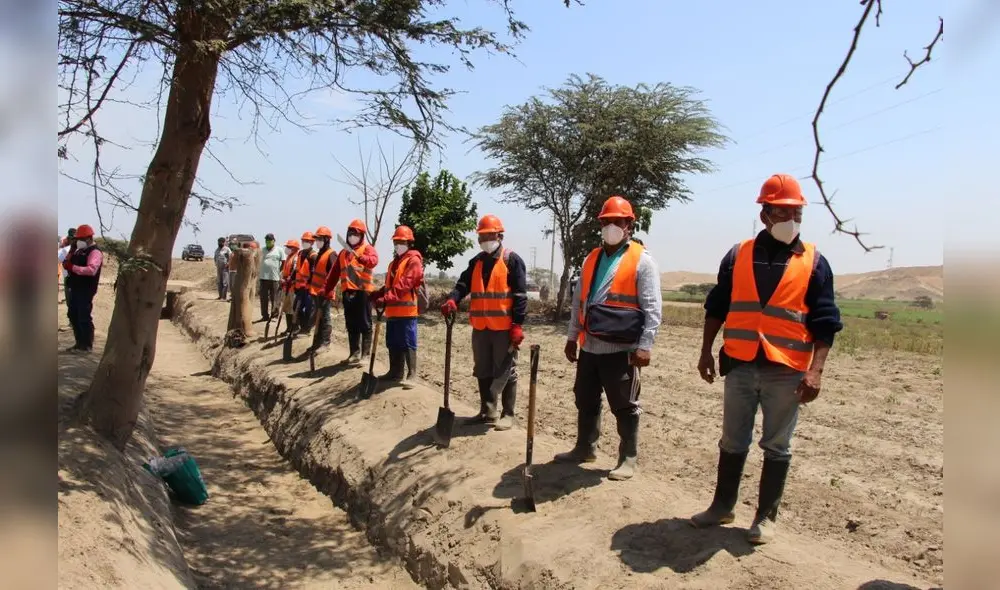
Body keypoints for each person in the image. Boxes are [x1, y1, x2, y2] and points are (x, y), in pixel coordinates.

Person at [689, 174, 843, 545]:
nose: (791, 219)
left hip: (786, 371)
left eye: (797, 213)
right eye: (783, 212)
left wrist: (816, 371)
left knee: (777, 445)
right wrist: (706, 350)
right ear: (765, 215)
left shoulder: (815, 262)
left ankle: (764, 518)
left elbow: (826, 323)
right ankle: (722, 506)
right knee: (732, 440)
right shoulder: (737, 255)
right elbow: (717, 306)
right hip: (740, 364)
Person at [557, 196, 663, 481]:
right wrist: (572, 337)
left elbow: (653, 308)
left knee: (624, 403)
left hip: (622, 348)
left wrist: (645, 345)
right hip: (590, 345)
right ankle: (585, 448)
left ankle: (628, 457)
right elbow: (579, 302)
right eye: (606, 222)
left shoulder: (643, 261)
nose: (611, 226)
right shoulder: (591, 258)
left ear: (630, 225)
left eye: (617, 221)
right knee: (585, 397)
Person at [440, 214, 527, 431]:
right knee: (483, 369)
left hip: (503, 328)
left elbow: (520, 296)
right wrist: (453, 299)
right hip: (480, 327)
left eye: (490, 235)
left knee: (506, 369)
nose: (486, 239)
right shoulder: (476, 262)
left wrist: (517, 325)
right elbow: (463, 284)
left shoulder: (512, 260)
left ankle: (508, 414)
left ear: (499, 236)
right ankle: (487, 412)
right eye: (482, 236)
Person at [371, 225, 424, 388]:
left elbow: (404, 285)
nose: (398, 245)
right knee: (393, 342)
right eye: (396, 242)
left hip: (407, 312)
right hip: (392, 311)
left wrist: (386, 299)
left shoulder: (414, 261)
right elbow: (391, 285)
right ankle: (395, 372)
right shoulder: (393, 263)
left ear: (409, 243)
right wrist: (378, 294)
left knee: (408, 343)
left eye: (401, 242)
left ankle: (412, 374)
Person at [321, 219, 378, 364]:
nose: (352, 237)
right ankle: (354, 354)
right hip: (348, 292)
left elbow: (373, 261)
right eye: (350, 234)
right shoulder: (343, 253)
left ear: (362, 236)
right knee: (351, 324)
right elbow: (333, 275)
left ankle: (365, 355)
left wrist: (361, 257)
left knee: (365, 323)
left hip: (363, 292)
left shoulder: (367, 248)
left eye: (356, 234)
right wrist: (326, 289)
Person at [62, 224, 104, 353]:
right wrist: (71, 252)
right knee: (73, 314)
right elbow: (67, 262)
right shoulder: (79, 250)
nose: (78, 241)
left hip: (86, 289)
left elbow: (91, 270)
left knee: (83, 316)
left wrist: (73, 267)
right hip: (75, 287)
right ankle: (79, 343)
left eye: (80, 239)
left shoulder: (95, 252)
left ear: (89, 238)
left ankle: (86, 345)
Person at [308, 225, 336, 351]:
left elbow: (333, 275)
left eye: (320, 239)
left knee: (325, 317)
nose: (317, 241)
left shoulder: (331, 254)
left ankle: (325, 342)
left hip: (325, 292)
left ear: (326, 239)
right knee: (318, 317)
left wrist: (326, 289)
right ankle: (317, 343)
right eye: (316, 239)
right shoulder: (320, 253)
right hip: (316, 292)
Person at [289, 231, 316, 336]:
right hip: (300, 287)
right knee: (296, 307)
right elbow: (296, 269)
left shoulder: (313, 256)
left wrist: (308, 282)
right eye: (304, 240)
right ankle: (303, 327)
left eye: (307, 241)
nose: (305, 242)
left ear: (312, 242)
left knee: (308, 309)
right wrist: (291, 278)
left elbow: (314, 273)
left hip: (309, 288)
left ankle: (307, 329)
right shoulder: (300, 253)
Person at [257, 232, 286, 323]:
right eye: (267, 240)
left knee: (275, 298)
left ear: (274, 240)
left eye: (270, 240)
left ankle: (274, 315)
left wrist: (279, 270)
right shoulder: (262, 250)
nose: (268, 241)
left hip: (274, 278)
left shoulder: (279, 250)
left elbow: (283, 262)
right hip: (263, 277)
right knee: (263, 298)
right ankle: (264, 315)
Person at [279, 239, 300, 333]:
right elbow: (284, 271)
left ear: (294, 248)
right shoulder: (288, 257)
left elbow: (294, 272)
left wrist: (289, 280)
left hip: (292, 288)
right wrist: (282, 279)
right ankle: (289, 328)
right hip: (286, 287)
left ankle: (295, 328)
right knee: (287, 309)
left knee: (293, 309)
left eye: (289, 247)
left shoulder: (296, 258)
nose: (287, 248)